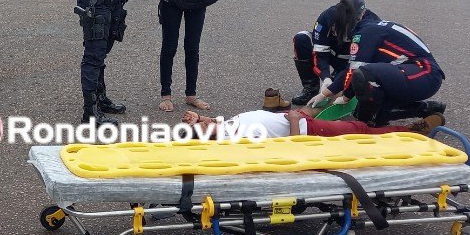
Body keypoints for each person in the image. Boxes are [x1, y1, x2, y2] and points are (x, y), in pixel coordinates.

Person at [306, 18, 445, 128]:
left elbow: (355, 71)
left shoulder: (367, 33)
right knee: (369, 115)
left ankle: (403, 128)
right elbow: (350, 69)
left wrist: (345, 96)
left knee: (366, 75)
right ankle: (426, 109)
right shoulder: (369, 25)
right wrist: (326, 91)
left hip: (424, 72)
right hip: (407, 74)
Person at [290, 0, 380, 106]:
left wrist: (344, 88)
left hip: (352, 60)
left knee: (344, 88)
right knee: (302, 38)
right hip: (331, 53)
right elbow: (319, 52)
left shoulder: (370, 24)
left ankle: (339, 77)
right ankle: (311, 89)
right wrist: (325, 77)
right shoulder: (328, 16)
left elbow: (363, 63)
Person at [180, 102, 445, 139]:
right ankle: (409, 132)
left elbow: (221, 121)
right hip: (307, 128)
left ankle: (341, 94)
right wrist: (295, 120)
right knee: (360, 129)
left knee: (321, 104)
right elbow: (292, 147)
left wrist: (201, 116)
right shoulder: (237, 139)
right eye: (202, 127)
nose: (202, 123)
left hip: (295, 117)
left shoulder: (223, 127)